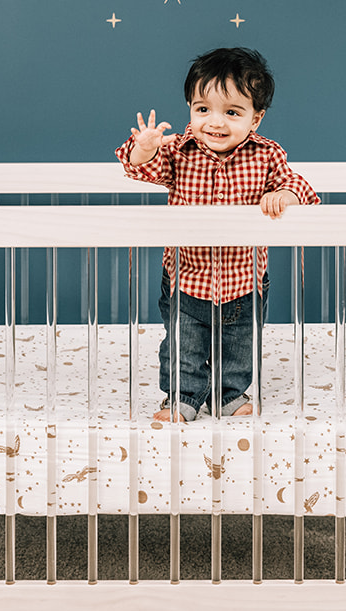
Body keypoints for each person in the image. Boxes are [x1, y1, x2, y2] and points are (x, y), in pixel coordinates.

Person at [116, 47, 318, 422]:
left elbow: (299, 186)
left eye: (232, 112)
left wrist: (283, 195)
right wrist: (144, 148)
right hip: (186, 275)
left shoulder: (267, 155)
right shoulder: (178, 150)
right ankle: (182, 397)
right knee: (183, 343)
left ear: (255, 118)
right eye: (202, 109)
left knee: (239, 344)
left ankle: (229, 394)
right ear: (191, 110)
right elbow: (141, 169)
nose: (215, 122)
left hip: (244, 279)